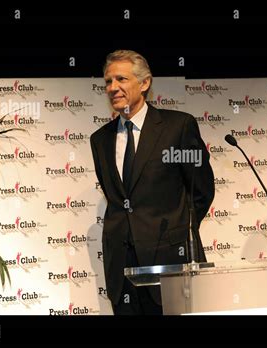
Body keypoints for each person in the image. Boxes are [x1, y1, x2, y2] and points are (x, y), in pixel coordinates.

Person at [90, 50, 215, 315]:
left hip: (170, 264)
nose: (113, 88)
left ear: (144, 83)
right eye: (108, 82)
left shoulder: (178, 126)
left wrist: (179, 232)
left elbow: (201, 190)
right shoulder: (99, 140)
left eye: (121, 79)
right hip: (121, 270)